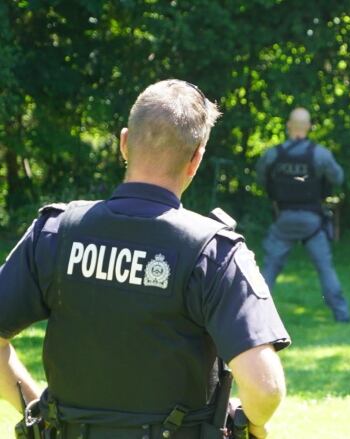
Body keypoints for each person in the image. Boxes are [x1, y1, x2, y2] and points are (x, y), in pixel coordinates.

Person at [0, 79, 290, 438]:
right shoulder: (213, 253)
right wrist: (252, 423)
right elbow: (265, 387)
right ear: (196, 159)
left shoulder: (56, 232)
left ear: (124, 142)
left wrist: (36, 412)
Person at [255, 108, 350, 323]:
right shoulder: (320, 154)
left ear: (289, 125)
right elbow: (338, 178)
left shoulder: (273, 154)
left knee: (270, 268)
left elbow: (261, 178)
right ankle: (342, 315)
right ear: (308, 127)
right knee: (325, 268)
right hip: (313, 221)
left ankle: (253, 313)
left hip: (284, 220)